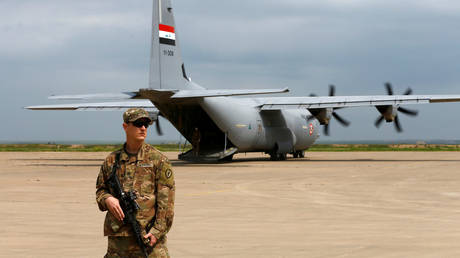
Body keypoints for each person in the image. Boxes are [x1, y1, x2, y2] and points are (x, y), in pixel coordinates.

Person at [96, 108, 175, 258]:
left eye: (146, 124)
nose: (143, 128)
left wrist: (156, 232)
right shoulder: (112, 161)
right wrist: (108, 199)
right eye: (138, 124)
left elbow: (167, 204)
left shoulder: (159, 160)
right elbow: (101, 190)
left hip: (148, 239)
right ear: (125, 127)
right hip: (119, 241)